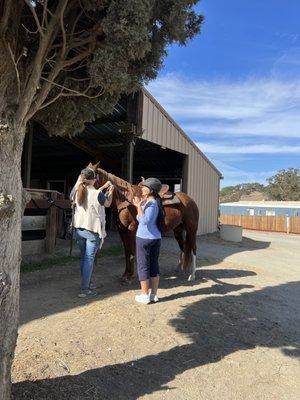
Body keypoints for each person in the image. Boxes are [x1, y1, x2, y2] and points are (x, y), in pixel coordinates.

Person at [71, 168, 114, 298]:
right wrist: (110, 192)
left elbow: (91, 195)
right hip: (92, 230)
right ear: (93, 180)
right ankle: (85, 289)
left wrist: (102, 187)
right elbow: (107, 203)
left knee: (84, 258)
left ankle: (87, 283)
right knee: (89, 260)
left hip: (79, 229)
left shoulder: (77, 191)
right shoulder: (96, 194)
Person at [133, 177, 164, 304]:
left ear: (151, 190)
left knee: (143, 266)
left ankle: (145, 295)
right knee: (154, 265)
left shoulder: (151, 203)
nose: (142, 188)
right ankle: (154, 295)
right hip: (155, 238)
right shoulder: (154, 201)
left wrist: (137, 206)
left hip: (144, 238)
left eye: (144, 187)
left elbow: (144, 221)